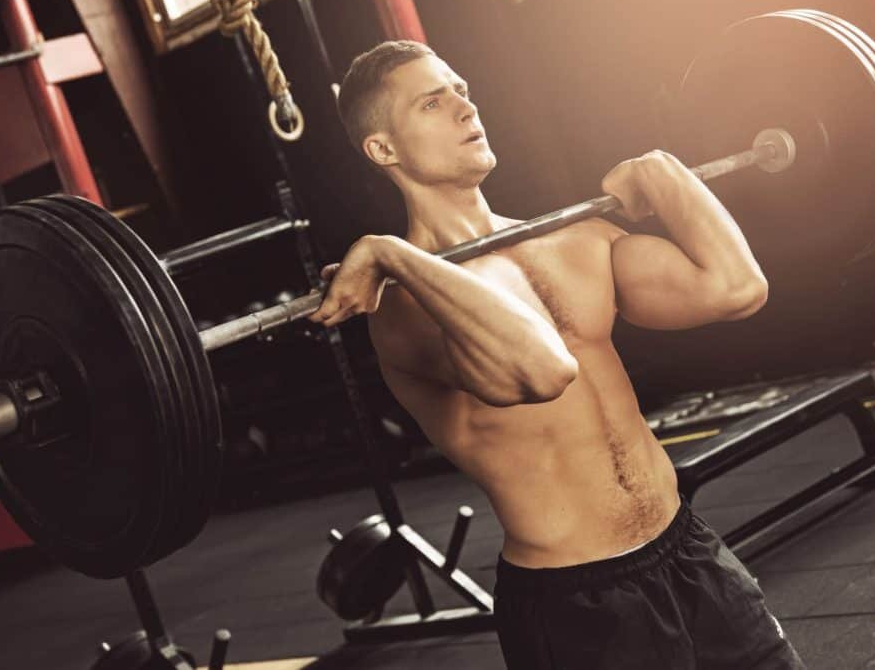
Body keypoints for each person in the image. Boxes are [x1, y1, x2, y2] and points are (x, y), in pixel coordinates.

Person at [310, 40, 804, 669]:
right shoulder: (407, 308)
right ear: (384, 149)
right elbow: (542, 370)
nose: (465, 108)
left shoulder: (574, 240)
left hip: (689, 551)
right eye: (433, 103)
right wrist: (393, 254)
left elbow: (736, 288)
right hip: (578, 608)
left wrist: (663, 174)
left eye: (462, 90)